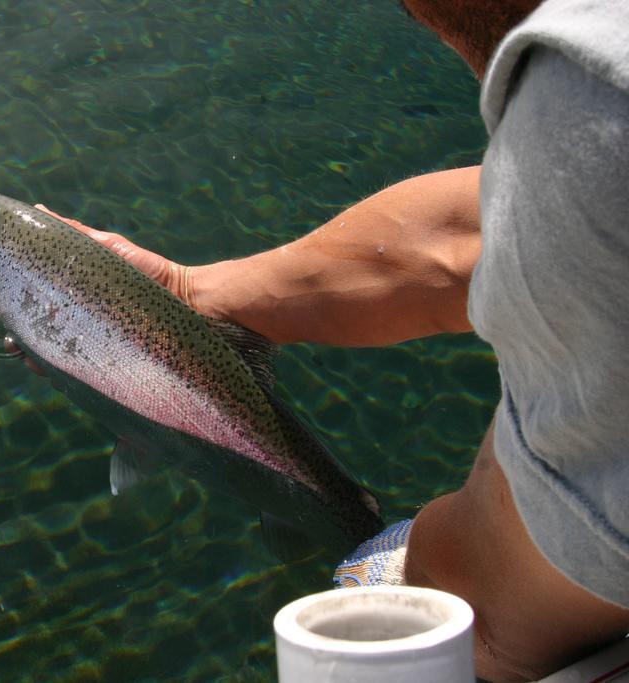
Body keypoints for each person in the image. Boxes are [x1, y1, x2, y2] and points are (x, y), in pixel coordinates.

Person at [36, 1, 629, 680]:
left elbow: (488, 622)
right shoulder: (592, 80)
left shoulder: (591, 107)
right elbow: (477, 235)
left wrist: (380, 557)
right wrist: (192, 294)